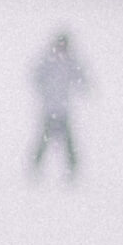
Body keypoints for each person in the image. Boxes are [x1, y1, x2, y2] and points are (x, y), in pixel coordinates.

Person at [29, 31, 87, 180]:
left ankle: (72, 169)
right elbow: (36, 76)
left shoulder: (70, 62)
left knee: (67, 141)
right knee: (44, 139)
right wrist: (45, 91)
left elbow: (80, 78)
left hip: (63, 109)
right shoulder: (48, 60)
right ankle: (35, 167)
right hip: (50, 108)